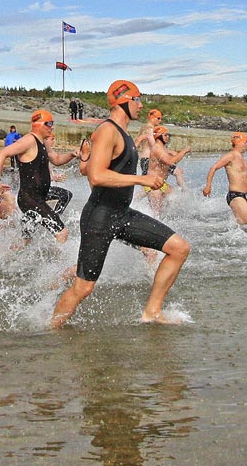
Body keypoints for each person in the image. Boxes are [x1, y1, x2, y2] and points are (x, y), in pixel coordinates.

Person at [51, 80, 191, 328]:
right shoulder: (108, 130)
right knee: (83, 288)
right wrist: (142, 179)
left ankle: (152, 312)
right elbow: (96, 175)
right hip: (100, 216)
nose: (141, 104)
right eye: (138, 99)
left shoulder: (123, 133)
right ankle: (52, 329)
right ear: (125, 100)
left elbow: (92, 168)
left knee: (179, 248)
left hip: (122, 214)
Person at [0, 109, 76, 241]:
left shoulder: (42, 142)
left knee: (26, 240)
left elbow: (57, 159)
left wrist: (72, 154)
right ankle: (59, 262)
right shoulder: (29, 140)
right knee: (62, 232)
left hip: (39, 197)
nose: (52, 127)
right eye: (49, 123)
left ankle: (6, 260)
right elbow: (2, 154)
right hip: (30, 199)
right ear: (39, 124)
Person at [202, 132, 247, 225]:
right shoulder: (230, 156)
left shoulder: (242, 158)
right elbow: (213, 168)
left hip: (243, 195)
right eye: (246, 142)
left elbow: (242, 174)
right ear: (239, 142)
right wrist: (208, 186)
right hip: (235, 195)